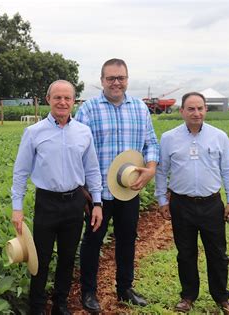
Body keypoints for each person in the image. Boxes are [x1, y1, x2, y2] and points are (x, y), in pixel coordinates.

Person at [11, 80, 103, 315]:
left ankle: (60, 304)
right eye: (57, 97)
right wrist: (17, 208)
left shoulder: (83, 132)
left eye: (67, 98)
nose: (62, 102)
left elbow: (92, 170)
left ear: (74, 101)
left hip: (75, 202)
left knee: (67, 257)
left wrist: (98, 203)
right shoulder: (34, 132)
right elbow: (21, 172)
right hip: (47, 203)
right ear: (48, 100)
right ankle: (37, 307)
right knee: (39, 259)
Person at [75, 58, 159, 312]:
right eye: (111, 78)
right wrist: (85, 191)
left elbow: (151, 144)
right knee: (92, 242)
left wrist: (151, 169)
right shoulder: (88, 109)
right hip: (97, 193)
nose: (116, 82)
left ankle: (125, 288)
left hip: (128, 189)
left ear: (127, 79)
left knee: (127, 239)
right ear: (101, 81)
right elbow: (77, 150)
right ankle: (88, 293)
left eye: (121, 78)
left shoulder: (140, 109)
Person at [155, 92, 229, 314]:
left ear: (206, 110)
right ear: (181, 111)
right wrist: (162, 199)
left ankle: (222, 297)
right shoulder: (169, 138)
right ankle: (188, 296)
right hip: (181, 205)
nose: (196, 113)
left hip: (212, 204)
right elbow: (162, 171)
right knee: (185, 253)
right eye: (191, 109)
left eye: (200, 108)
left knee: (218, 254)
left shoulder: (218, 137)